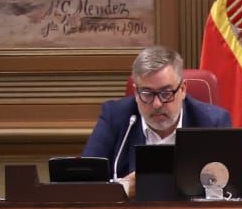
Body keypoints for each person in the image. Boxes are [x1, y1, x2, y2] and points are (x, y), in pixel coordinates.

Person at [80, 45, 232, 186]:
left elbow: (240, 192)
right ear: (136, 93)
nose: (157, 104)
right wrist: (124, 189)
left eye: (166, 93)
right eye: (147, 93)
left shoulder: (213, 122)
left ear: (183, 89)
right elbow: (84, 184)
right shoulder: (116, 117)